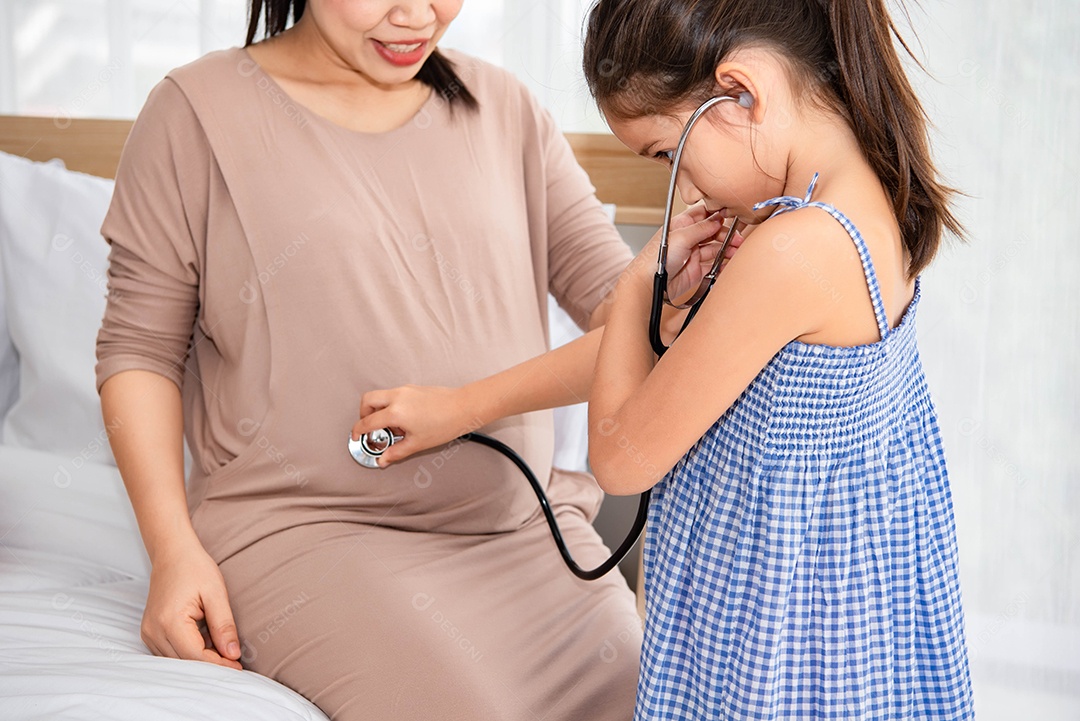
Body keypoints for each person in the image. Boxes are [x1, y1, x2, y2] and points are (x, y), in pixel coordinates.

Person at [95, 1, 645, 718]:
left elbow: (628, 314)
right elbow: (139, 352)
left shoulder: (505, 109)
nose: (417, 14)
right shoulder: (193, 115)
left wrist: (694, 269)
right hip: (309, 538)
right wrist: (172, 552)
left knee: (654, 696)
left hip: (521, 534)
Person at [581, 0, 974, 718]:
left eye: (669, 156)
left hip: (771, 631)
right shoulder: (854, 195)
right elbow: (664, 360)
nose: (688, 189)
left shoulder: (792, 250)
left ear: (740, 93)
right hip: (838, 616)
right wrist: (465, 405)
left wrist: (639, 281)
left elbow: (620, 459)